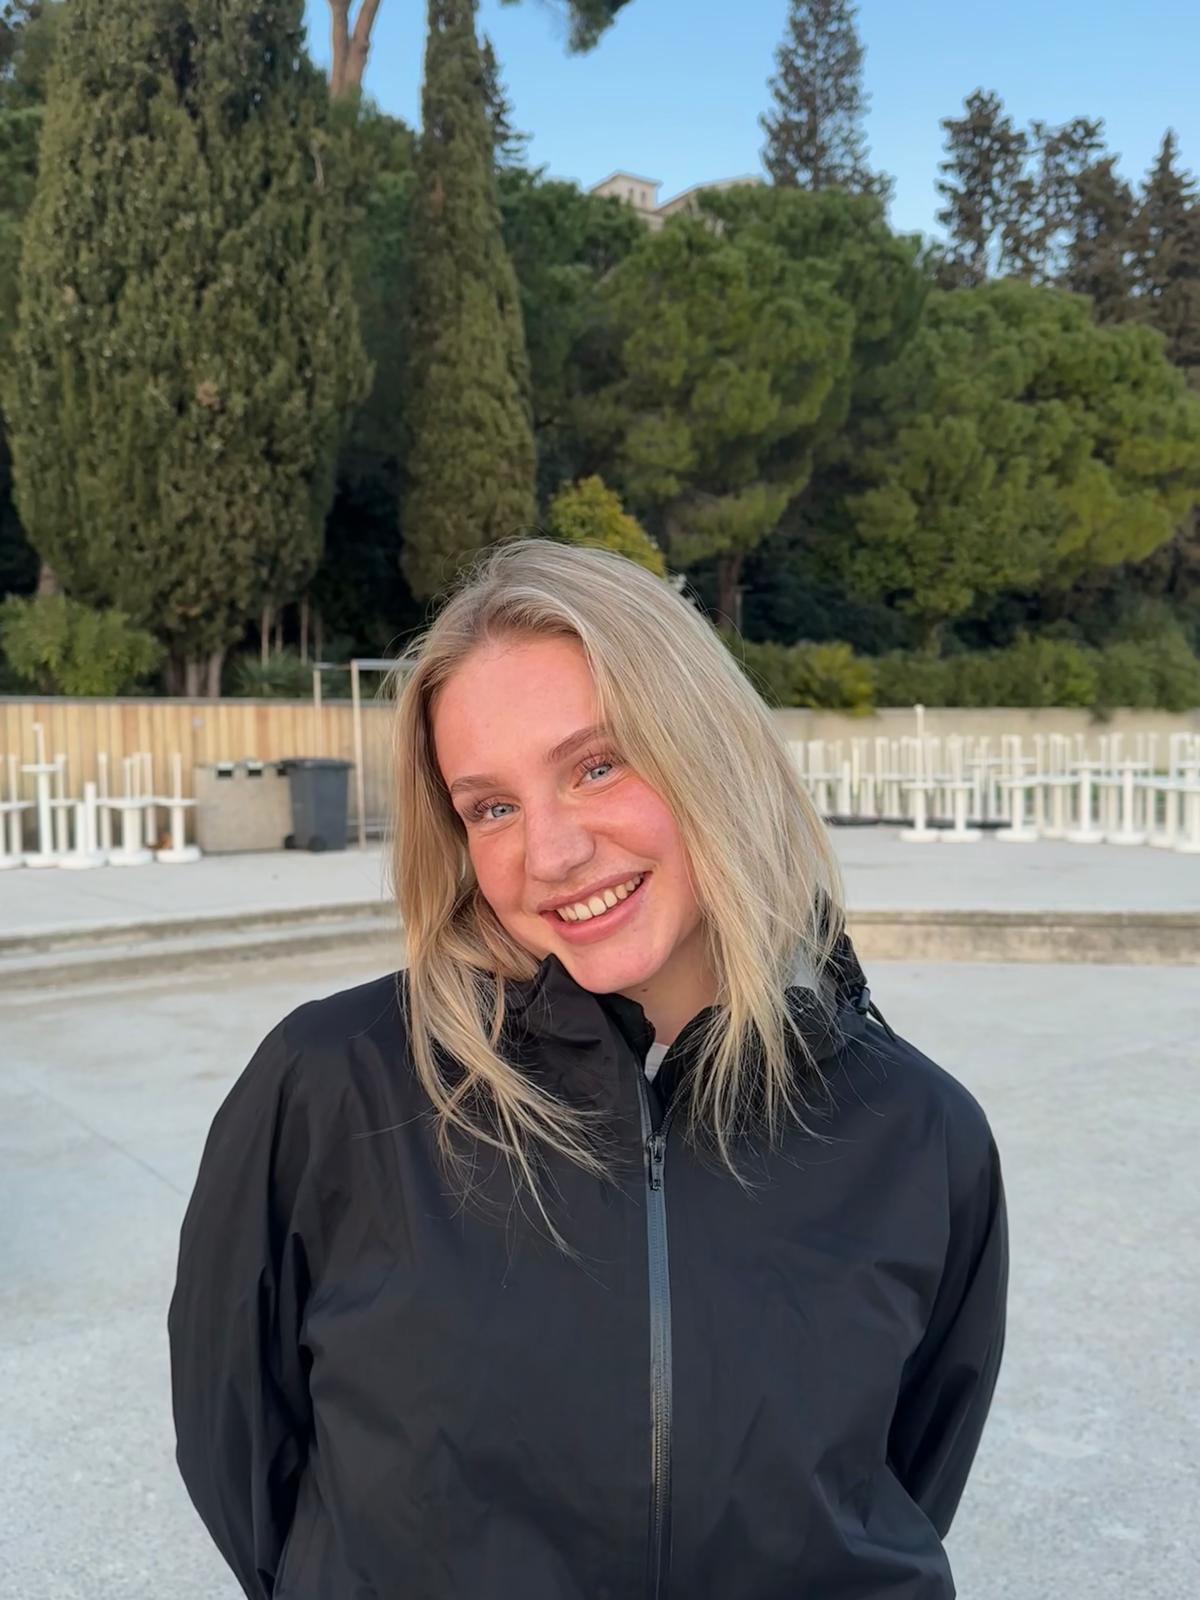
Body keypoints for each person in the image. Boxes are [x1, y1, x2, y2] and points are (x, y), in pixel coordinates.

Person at [168, 536, 1008, 1600]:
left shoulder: (918, 1131)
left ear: (713, 752)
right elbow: (245, 1468)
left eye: (596, 765)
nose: (552, 853)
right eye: (492, 806)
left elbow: (901, 1483)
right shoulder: (332, 1088)